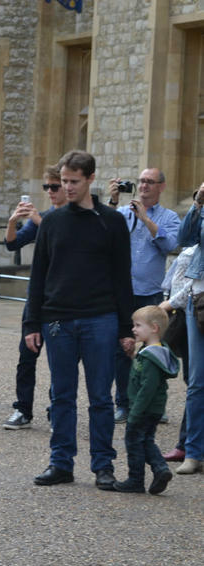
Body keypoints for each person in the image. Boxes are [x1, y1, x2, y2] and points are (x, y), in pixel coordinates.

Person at [25, 150, 133, 490]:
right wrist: (31, 323)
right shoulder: (52, 222)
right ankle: (61, 463)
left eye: (73, 182)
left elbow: (122, 278)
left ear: (90, 179)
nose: (67, 188)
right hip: (58, 320)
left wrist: (126, 329)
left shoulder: (111, 222)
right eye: (63, 181)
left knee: (101, 396)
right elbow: (38, 275)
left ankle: (103, 464)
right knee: (61, 396)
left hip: (100, 318)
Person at [107, 168, 180, 423]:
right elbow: (104, 234)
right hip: (124, 293)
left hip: (151, 293)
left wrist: (146, 219)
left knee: (154, 350)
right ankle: (123, 404)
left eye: (150, 182)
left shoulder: (169, 217)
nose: (144, 185)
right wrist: (114, 202)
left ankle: (153, 405)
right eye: (141, 181)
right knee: (123, 348)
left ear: (161, 186)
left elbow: (170, 245)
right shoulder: (122, 214)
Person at [2, 166, 68, 429]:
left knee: (59, 360)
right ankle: (23, 409)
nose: (50, 192)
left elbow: (64, 242)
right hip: (37, 298)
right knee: (26, 358)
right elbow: (12, 243)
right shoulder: (42, 216)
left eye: (55, 187)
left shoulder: (68, 218)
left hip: (60, 299)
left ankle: (56, 411)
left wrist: (40, 220)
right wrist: (12, 221)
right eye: (46, 188)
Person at [111, 306, 178, 493]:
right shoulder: (154, 351)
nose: (133, 329)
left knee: (134, 442)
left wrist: (135, 412)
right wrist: (133, 356)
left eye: (138, 325)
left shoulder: (151, 357)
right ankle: (160, 469)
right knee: (146, 440)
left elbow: (148, 387)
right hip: (153, 408)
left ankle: (136, 480)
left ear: (154, 328)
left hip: (143, 409)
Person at [174, 182, 204, 475]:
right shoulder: (202, 208)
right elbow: (184, 239)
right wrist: (197, 204)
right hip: (200, 301)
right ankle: (194, 453)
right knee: (197, 381)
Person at [158, 244, 196, 462]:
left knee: (195, 385)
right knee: (194, 384)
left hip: (189, 312)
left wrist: (167, 304)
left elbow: (190, 286)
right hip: (187, 316)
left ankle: (187, 445)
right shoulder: (190, 246)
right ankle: (186, 444)